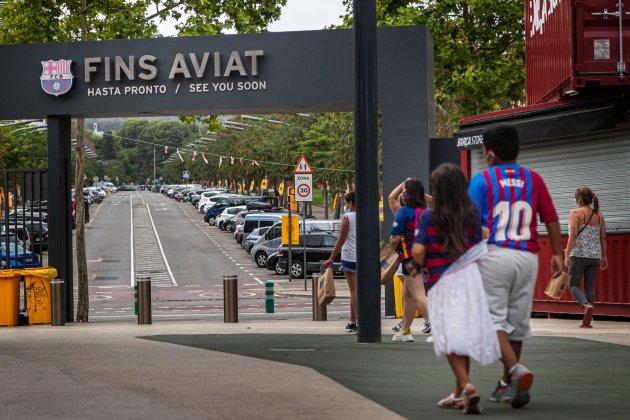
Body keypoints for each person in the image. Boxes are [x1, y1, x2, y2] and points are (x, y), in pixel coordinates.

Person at [468, 123, 563, 409]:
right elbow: (551, 217)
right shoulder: (534, 179)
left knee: (491, 320)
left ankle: (515, 370)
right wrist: (558, 253)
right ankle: (508, 386)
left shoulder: (482, 180)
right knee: (517, 324)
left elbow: (470, 223)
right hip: (528, 258)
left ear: (489, 154)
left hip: (494, 254)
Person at [411, 163, 499, 414]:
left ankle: (468, 387)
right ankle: (460, 393)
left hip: (443, 281)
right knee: (464, 332)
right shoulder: (470, 213)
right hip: (470, 279)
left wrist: (418, 264)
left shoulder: (429, 216)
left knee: (448, 336)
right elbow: (483, 235)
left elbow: (418, 251)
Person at [388, 178, 430, 342]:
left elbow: (394, 239)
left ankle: (438, 329)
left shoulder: (403, 212)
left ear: (407, 194)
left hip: (409, 258)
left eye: (405, 191)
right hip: (424, 256)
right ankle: (405, 331)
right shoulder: (426, 211)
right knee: (408, 294)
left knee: (418, 294)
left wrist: (393, 247)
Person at [565, 187, 608, 328]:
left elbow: (573, 236)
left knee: (573, 285)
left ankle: (586, 306)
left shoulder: (576, 213)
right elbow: (603, 237)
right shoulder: (599, 215)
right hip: (594, 257)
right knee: (589, 286)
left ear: (578, 198)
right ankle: (589, 319)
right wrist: (604, 256)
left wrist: (566, 254)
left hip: (578, 255)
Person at [323, 192, 357, 334]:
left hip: (349, 257)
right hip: (363, 257)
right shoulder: (367, 215)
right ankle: (352, 321)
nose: (344, 205)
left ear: (351, 203)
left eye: (345, 202)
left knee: (354, 291)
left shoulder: (347, 217)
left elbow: (341, 239)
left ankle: (359, 322)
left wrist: (331, 258)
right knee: (355, 291)